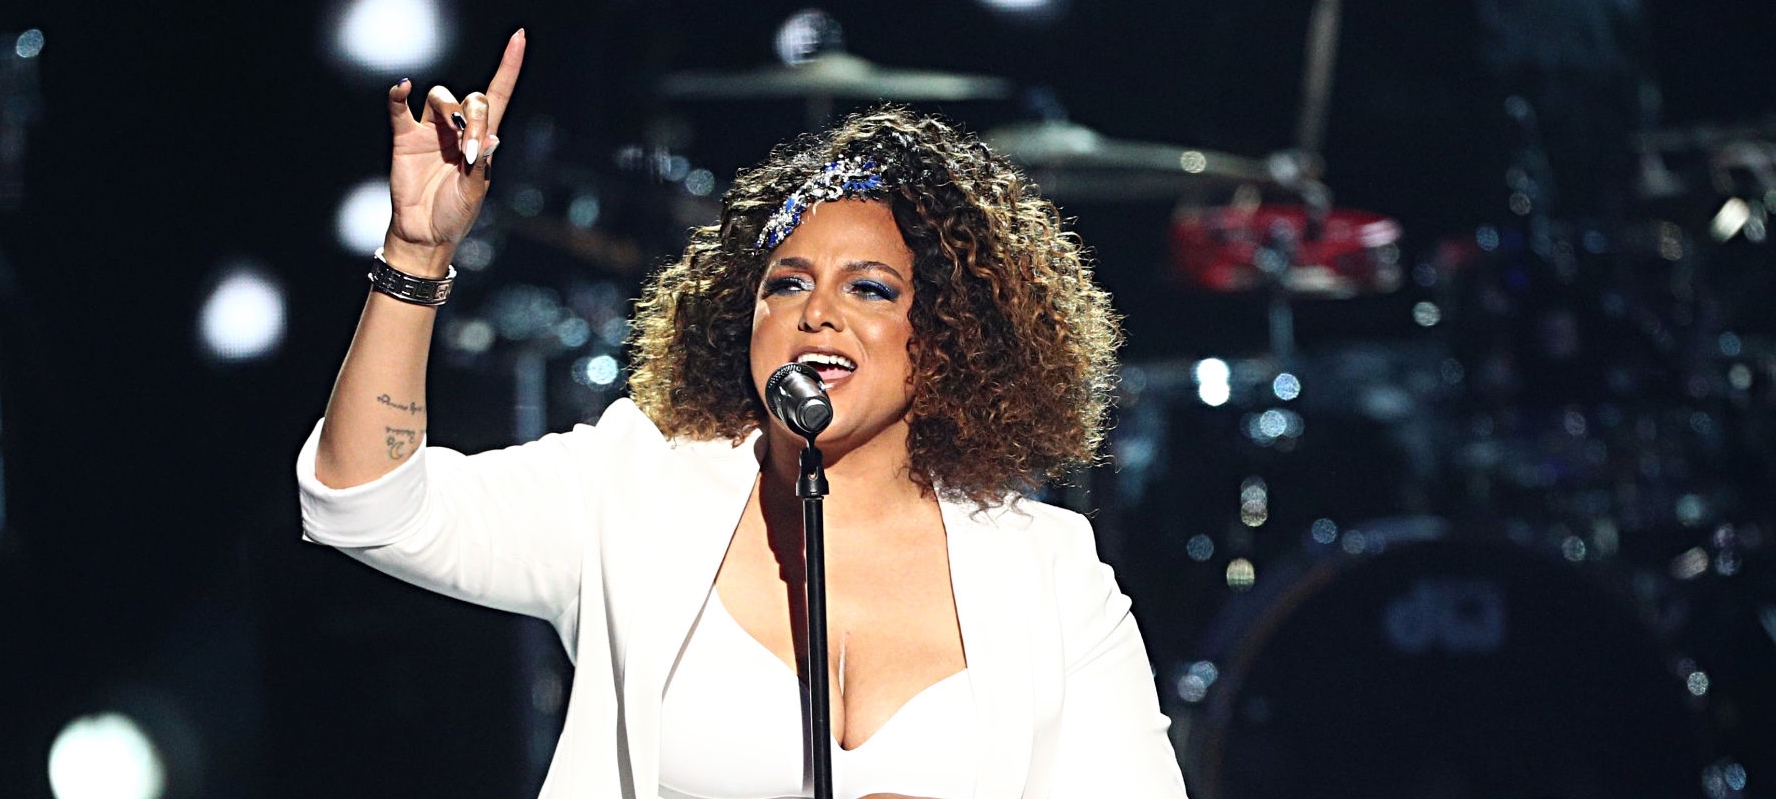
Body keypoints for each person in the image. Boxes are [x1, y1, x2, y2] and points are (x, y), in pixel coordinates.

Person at [297, 30, 1188, 799]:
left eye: (870, 288)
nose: (817, 312)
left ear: (951, 335)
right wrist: (416, 255)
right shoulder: (631, 486)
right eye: (786, 284)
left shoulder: (1049, 568)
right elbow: (366, 502)